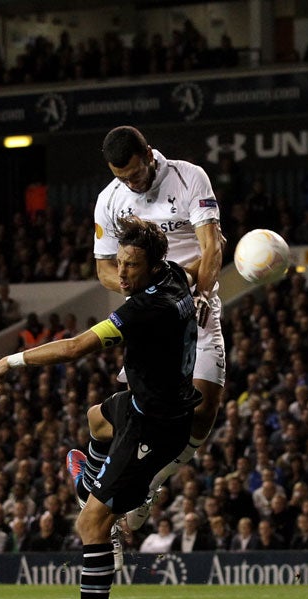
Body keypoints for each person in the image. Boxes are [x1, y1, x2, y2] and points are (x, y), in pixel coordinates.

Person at [0, 215, 200, 599]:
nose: (121, 275)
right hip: (149, 404)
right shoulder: (176, 275)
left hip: (155, 428)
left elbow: (74, 348)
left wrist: (11, 359)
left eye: (132, 267)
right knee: (96, 420)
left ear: (153, 265)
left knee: (90, 526)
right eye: (120, 263)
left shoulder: (147, 309)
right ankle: (92, 481)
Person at [92, 126, 226, 534]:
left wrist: (197, 292)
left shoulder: (189, 178)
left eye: (134, 173)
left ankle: (150, 482)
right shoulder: (109, 199)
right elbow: (103, 270)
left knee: (204, 410)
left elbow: (212, 246)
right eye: (122, 177)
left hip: (195, 306)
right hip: (150, 319)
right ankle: (113, 495)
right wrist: (148, 287)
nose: (130, 183)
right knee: (133, 417)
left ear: (149, 154)